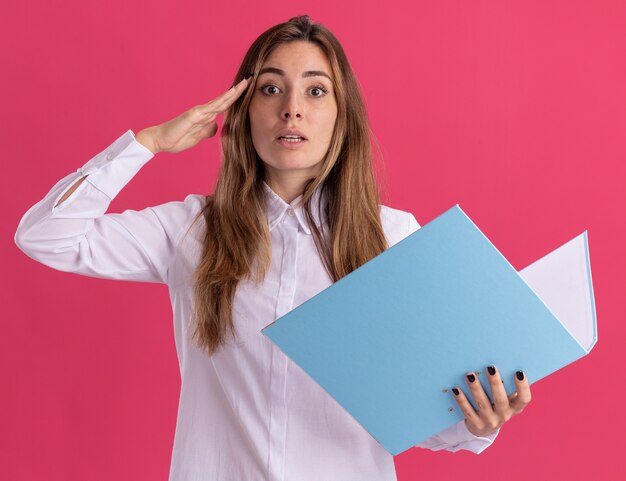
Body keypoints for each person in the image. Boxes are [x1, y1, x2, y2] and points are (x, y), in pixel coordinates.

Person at [14, 15, 531, 481]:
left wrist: (477, 421)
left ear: (341, 115)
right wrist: (149, 142)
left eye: (315, 91)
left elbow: (416, 417)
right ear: (242, 110)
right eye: (270, 88)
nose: (291, 110)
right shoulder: (191, 231)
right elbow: (45, 236)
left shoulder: (394, 238)